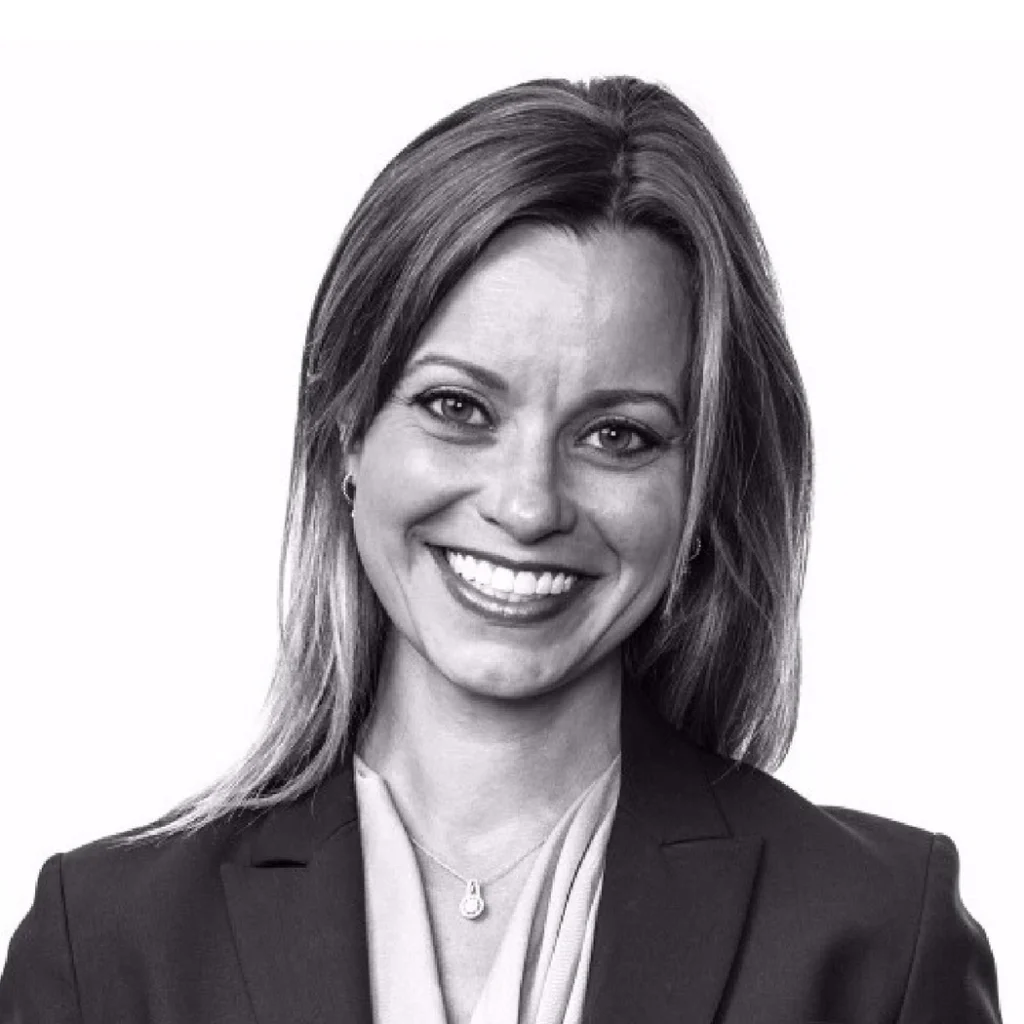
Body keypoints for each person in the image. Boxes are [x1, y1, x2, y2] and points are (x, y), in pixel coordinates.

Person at [0, 75, 1002, 1024]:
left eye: (618, 435)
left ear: (701, 487)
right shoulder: (108, 944)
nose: (527, 505)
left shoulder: (872, 937)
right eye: (457, 407)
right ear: (348, 434)